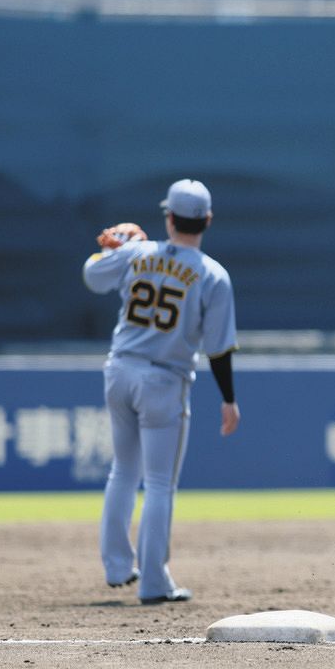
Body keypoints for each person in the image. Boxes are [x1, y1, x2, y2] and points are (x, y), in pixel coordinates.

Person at [83, 179, 240, 605]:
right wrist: (228, 398)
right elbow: (219, 348)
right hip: (164, 381)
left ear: (168, 217)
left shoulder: (138, 251)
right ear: (206, 220)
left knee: (122, 471)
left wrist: (115, 249)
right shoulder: (213, 274)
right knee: (157, 483)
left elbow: (92, 275)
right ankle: (154, 582)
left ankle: (117, 566)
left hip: (119, 371)